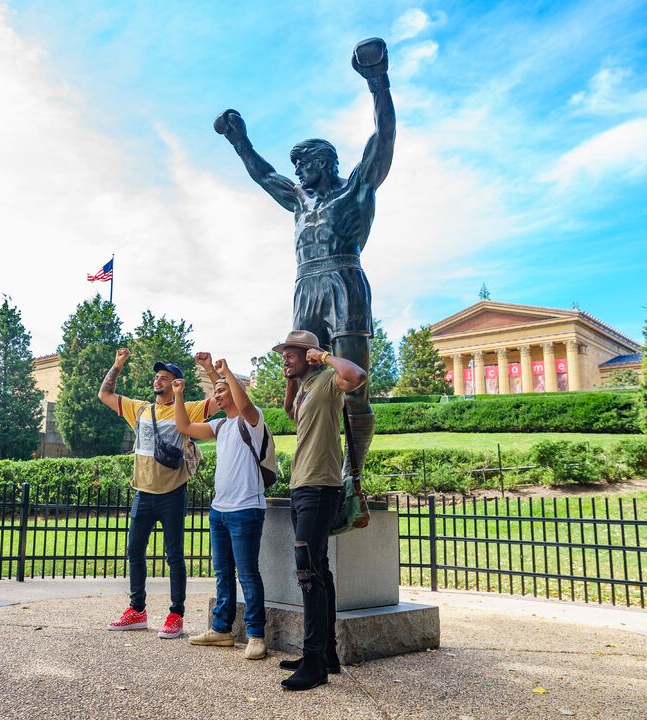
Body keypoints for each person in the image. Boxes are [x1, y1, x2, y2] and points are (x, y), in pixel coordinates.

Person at [214, 38, 395, 501]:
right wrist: (240, 141)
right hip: (305, 285)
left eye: (305, 162)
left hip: (344, 280)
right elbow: (262, 174)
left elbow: (383, 139)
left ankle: (355, 473)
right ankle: (312, 465)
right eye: (295, 163)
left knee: (354, 383)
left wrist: (377, 82)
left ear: (326, 161)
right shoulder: (299, 201)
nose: (297, 169)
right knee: (295, 384)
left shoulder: (355, 188)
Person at [98, 348, 217, 639]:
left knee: (174, 555)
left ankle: (176, 615)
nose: (158, 381)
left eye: (165, 378)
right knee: (134, 551)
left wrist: (209, 370)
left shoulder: (187, 409)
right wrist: (117, 364)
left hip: (173, 493)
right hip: (143, 492)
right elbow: (105, 393)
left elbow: (221, 401)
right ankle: (136, 610)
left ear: (176, 382)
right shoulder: (139, 408)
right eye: (157, 377)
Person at [272, 330, 366, 692]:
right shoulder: (308, 388)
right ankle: (326, 653)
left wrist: (323, 357)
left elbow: (356, 376)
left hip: (319, 488)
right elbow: (290, 413)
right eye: (283, 353)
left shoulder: (327, 380)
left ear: (308, 353)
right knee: (319, 573)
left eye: (291, 353)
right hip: (303, 487)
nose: (284, 357)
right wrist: (291, 381)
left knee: (308, 575)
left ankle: (314, 665)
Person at [172, 358, 267, 660]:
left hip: (246, 509)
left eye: (223, 391)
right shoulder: (220, 425)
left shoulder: (252, 421)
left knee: (247, 574)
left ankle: (255, 635)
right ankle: (221, 629)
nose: (217, 395)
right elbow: (183, 425)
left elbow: (245, 403)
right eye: (216, 391)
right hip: (219, 511)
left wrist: (223, 373)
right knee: (223, 573)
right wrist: (178, 394)